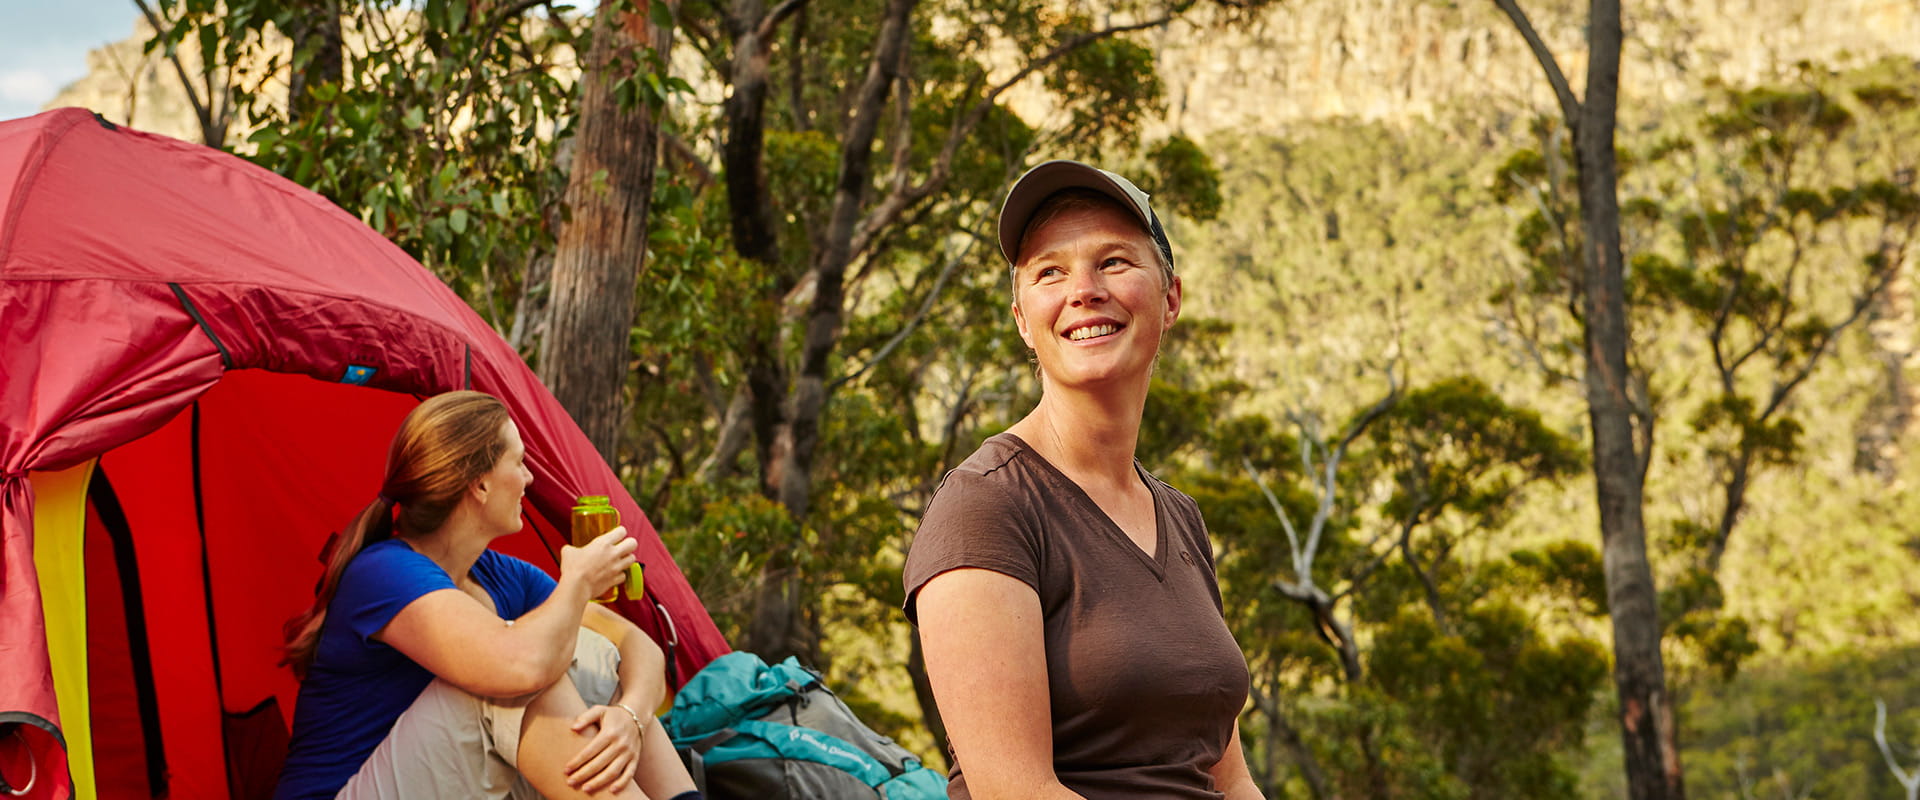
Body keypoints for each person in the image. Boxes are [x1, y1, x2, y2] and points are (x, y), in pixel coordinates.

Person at [903, 161, 1263, 800]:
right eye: (1050, 272)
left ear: (1170, 298)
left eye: (1114, 262)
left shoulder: (1179, 518)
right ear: (1022, 320)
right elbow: (1014, 791)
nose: (1084, 290)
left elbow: (1228, 778)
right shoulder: (985, 507)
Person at [273, 391, 700, 800]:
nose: (529, 479)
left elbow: (633, 646)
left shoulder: (498, 574)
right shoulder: (383, 572)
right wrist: (577, 584)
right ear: (479, 485)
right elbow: (521, 668)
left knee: (587, 654)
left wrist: (630, 719)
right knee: (512, 684)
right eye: (519, 463)